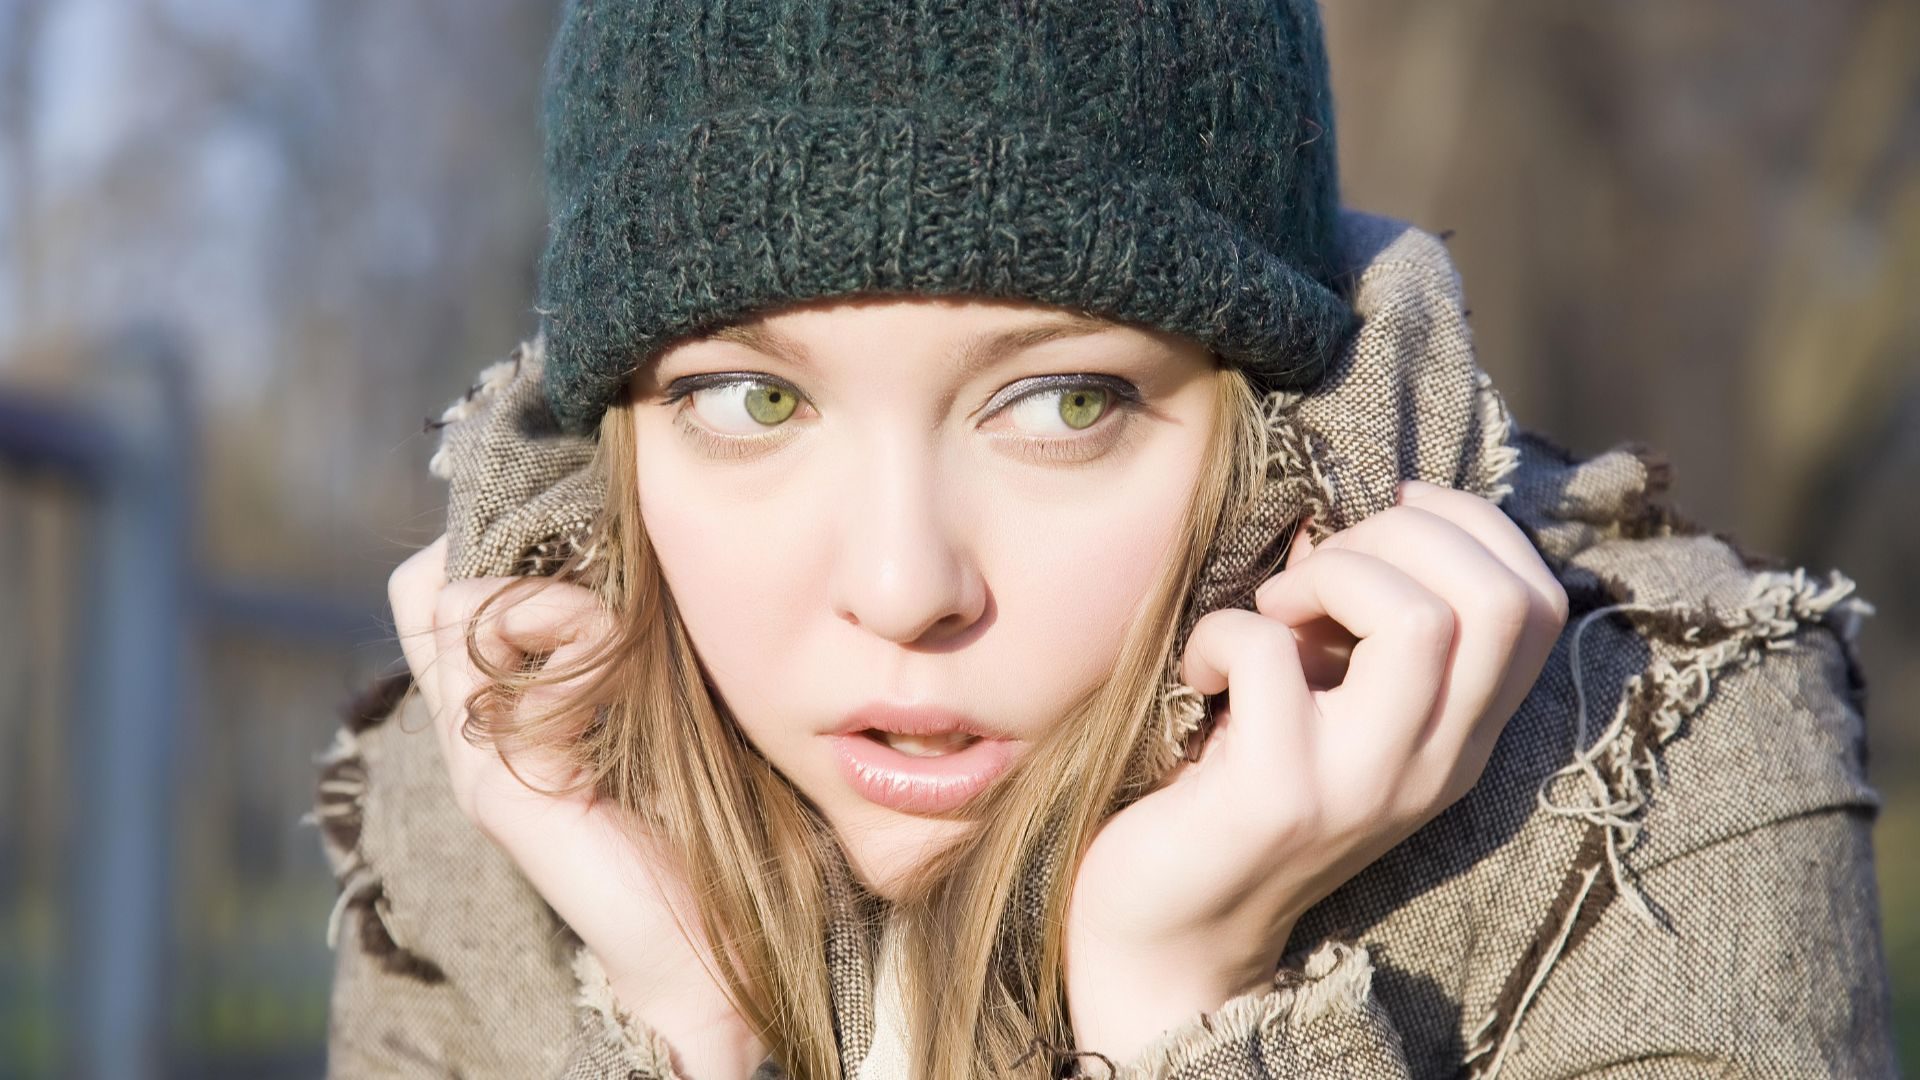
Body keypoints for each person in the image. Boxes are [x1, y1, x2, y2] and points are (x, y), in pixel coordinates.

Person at [307, 1, 1899, 1077]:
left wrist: (1182, 1007)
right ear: (618, 435)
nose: (903, 587)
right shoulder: (486, 816)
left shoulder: (1647, 751)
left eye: (1062, 403)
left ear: (1265, 408)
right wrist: (679, 1026)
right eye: (750, 402)